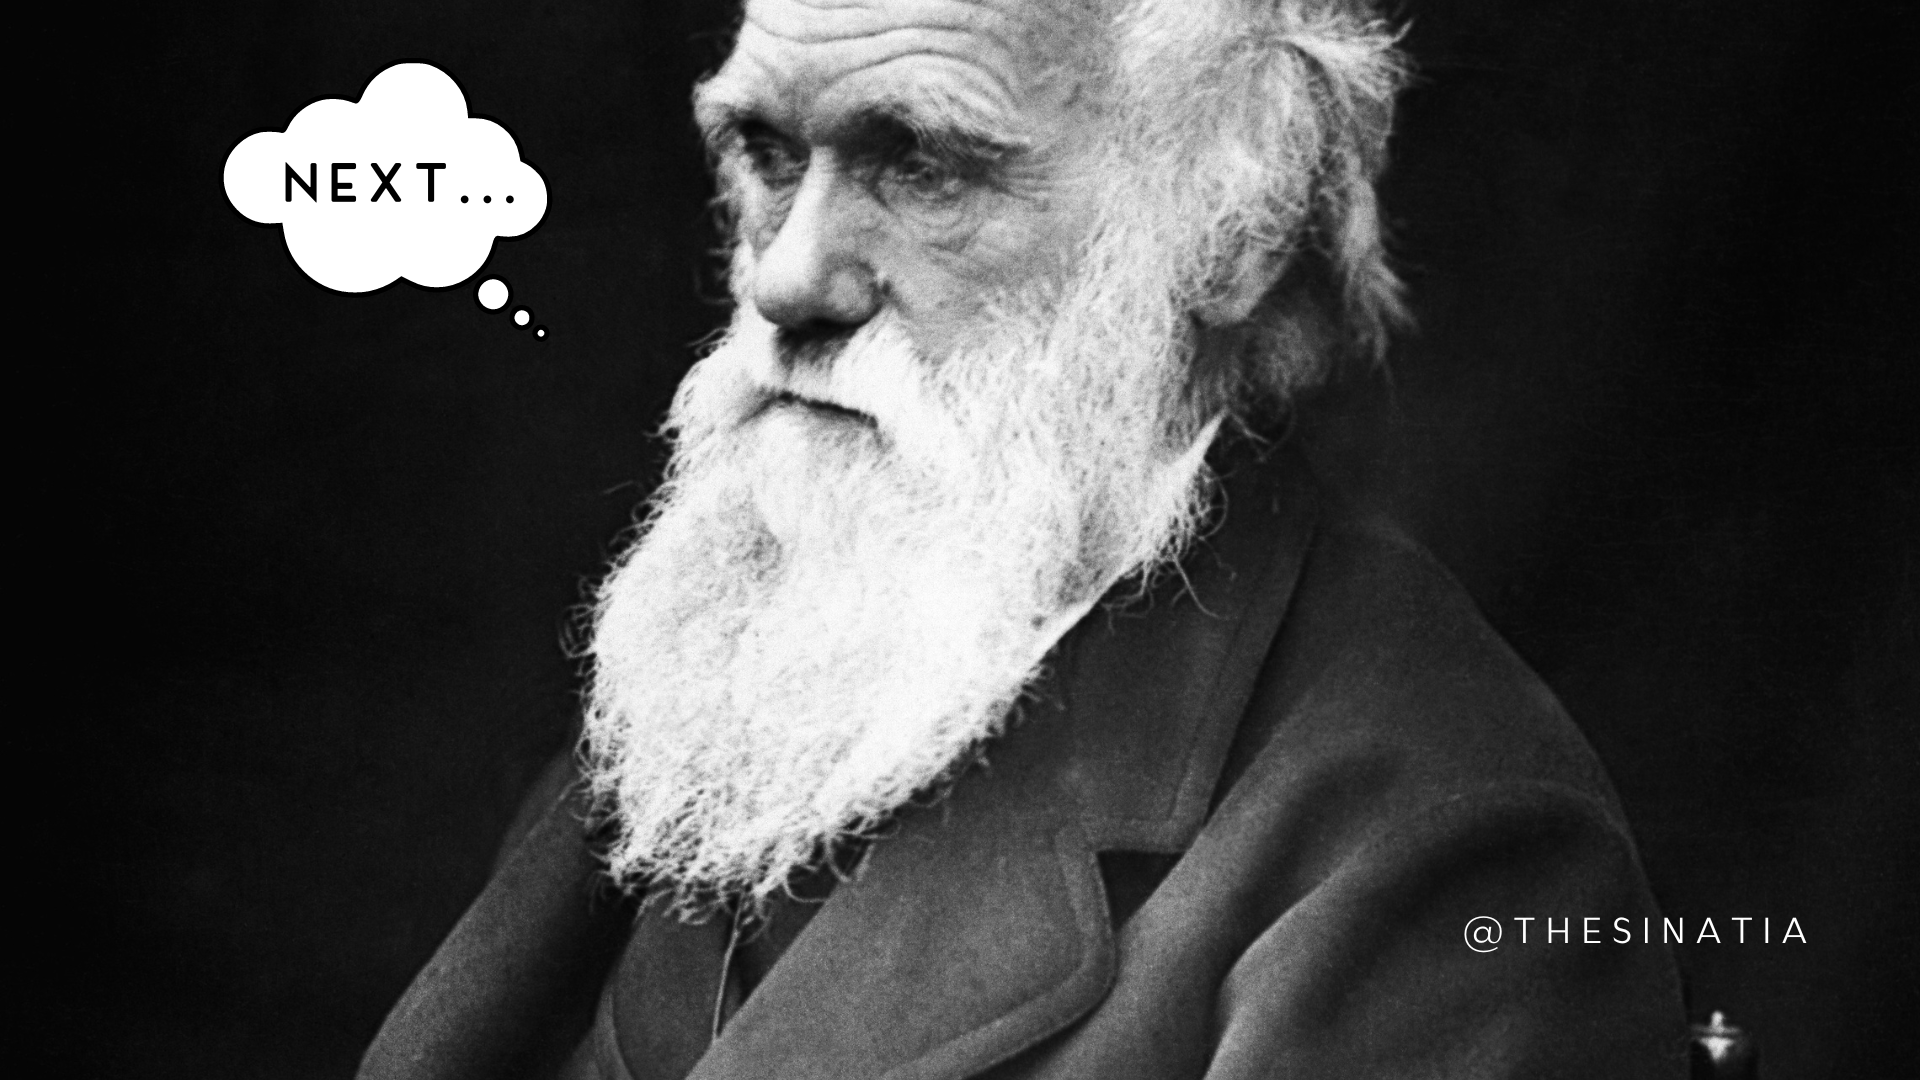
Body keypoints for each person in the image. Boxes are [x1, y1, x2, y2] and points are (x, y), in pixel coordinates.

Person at [360, 1, 1689, 1076]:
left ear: (1234, 227)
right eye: (768, 154)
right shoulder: (718, 687)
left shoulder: (1447, 855)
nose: (787, 275)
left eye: (923, 166)